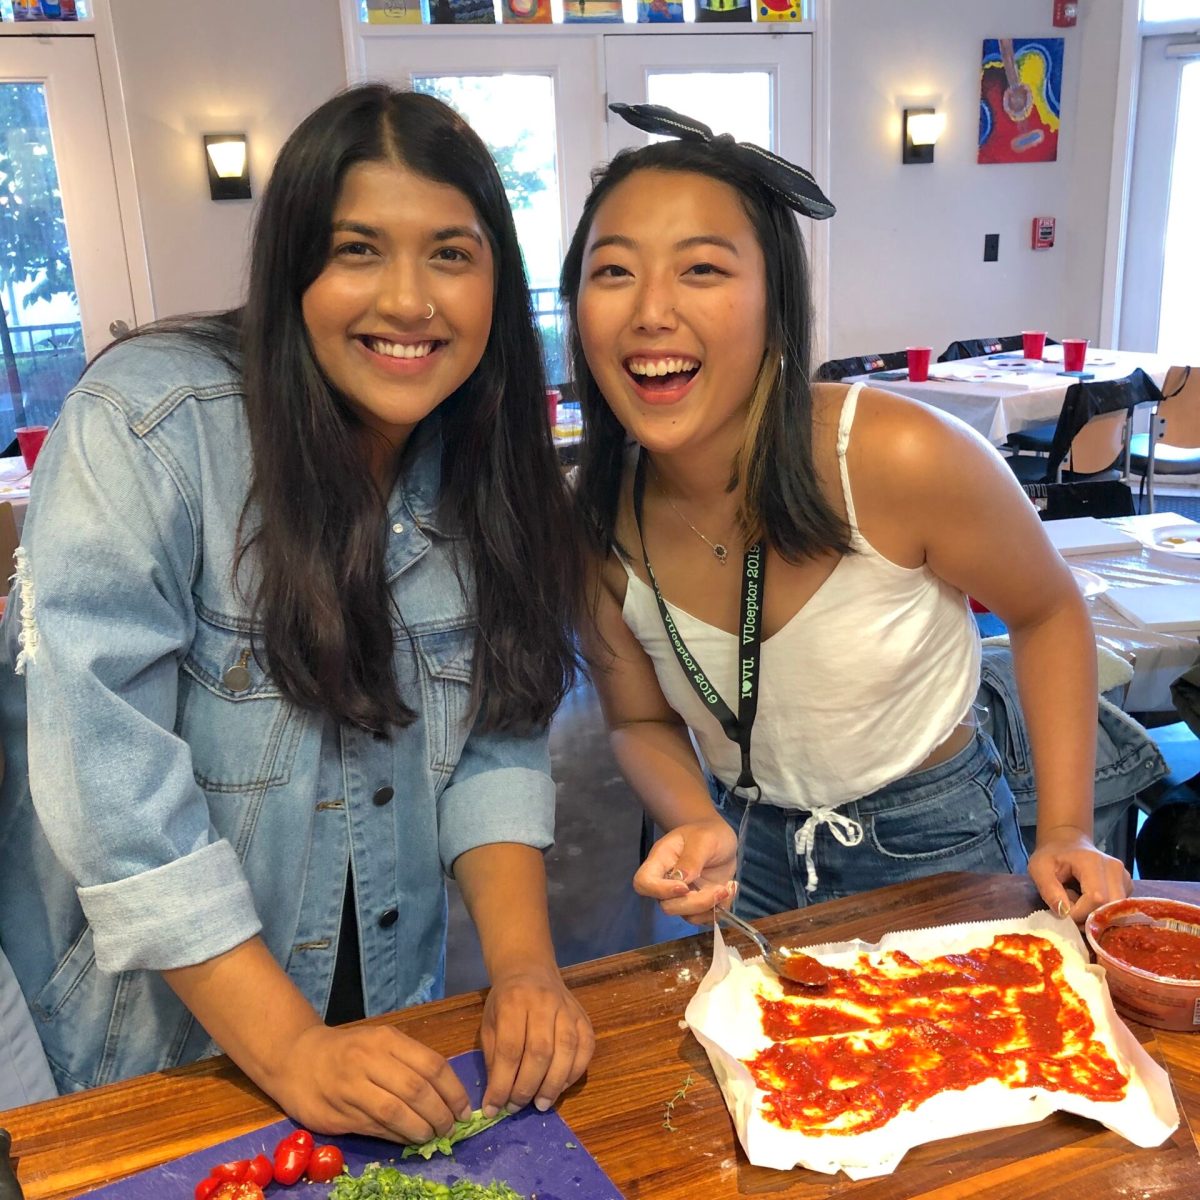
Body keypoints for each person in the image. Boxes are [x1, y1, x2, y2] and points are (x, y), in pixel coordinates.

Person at [0, 86, 593, 1139]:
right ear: (291, 269)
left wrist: (526, 971)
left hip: (385, 1018)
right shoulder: (152, 427)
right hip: (161, 1047)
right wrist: (289, 1049)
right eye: (358, 250)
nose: (408, 300)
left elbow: (497, 738)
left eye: (450, 254)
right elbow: (111, 793)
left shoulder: (485, 462)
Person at [560, 103, 1132, 926]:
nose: (651, 310)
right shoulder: (597, 520)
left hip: (934, 840)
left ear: (775, 302)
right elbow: (639, 718)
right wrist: (693, 816)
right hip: (746, 851)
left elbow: (1046, 610)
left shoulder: (896, 455)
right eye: (614, 271)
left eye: (702, 269)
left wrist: (1067, 828)